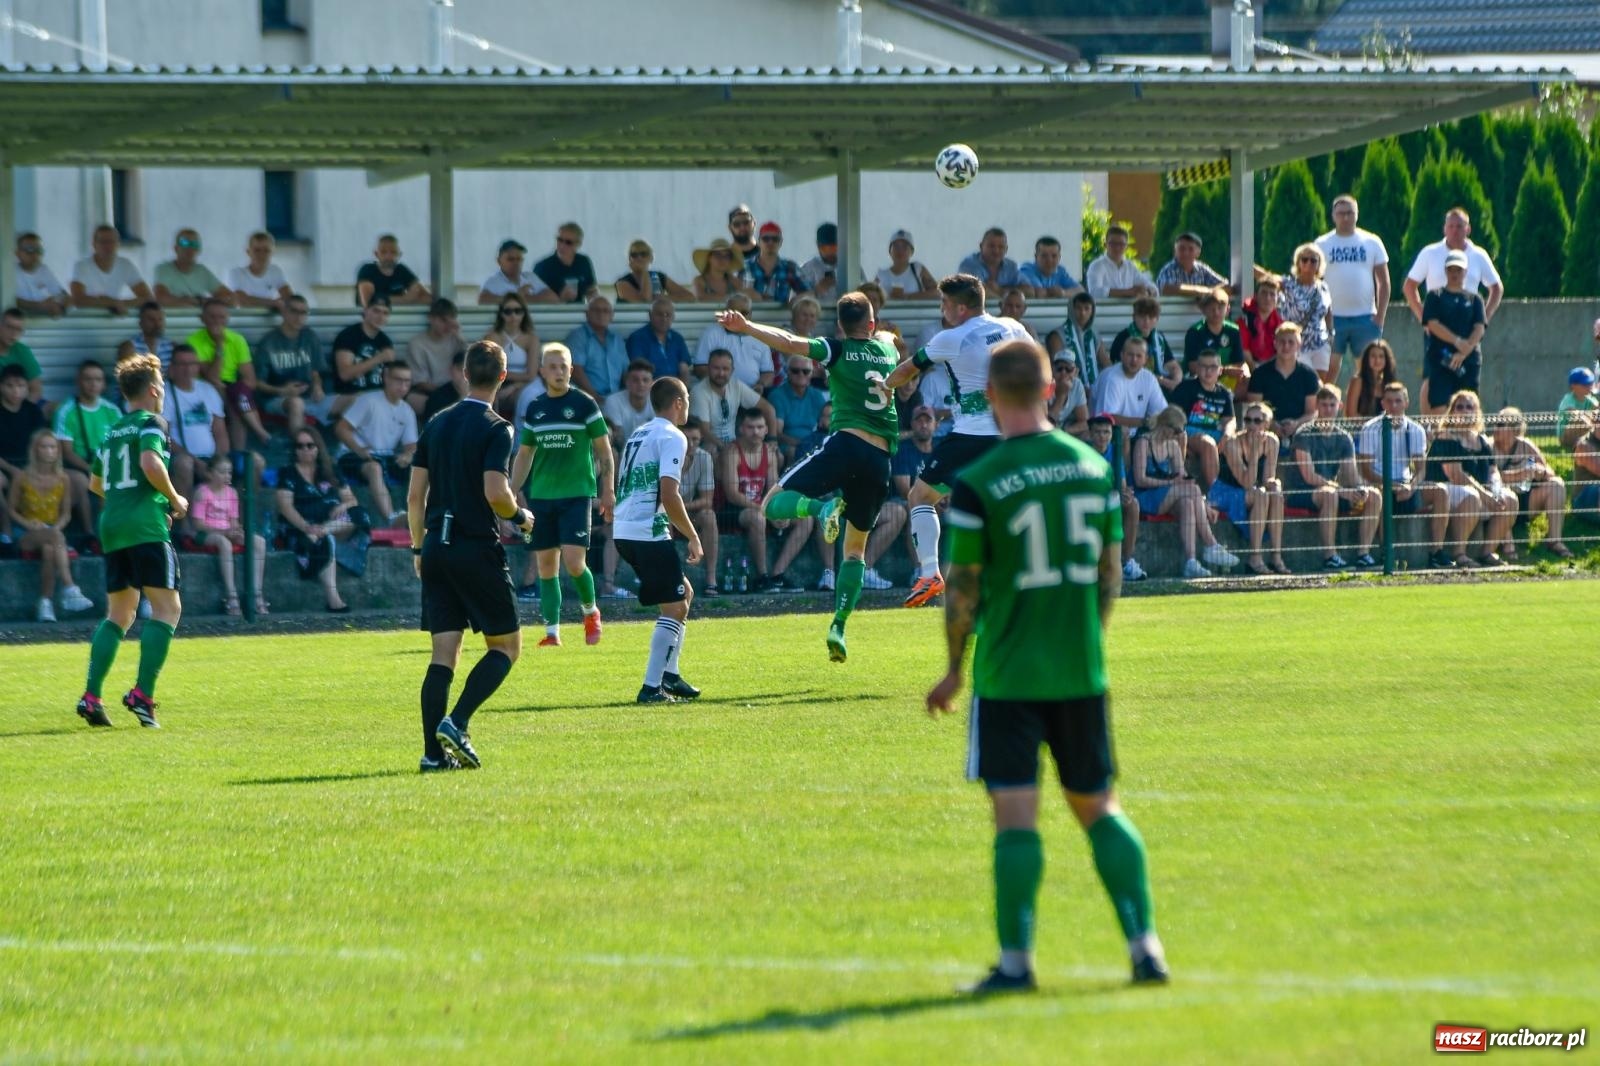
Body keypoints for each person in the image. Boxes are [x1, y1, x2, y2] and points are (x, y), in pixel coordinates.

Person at [925, 337, 1167, 994]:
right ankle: (1145, 948)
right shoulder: (1092, 467)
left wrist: (953, 668)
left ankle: (1015, 964)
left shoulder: (979, 484)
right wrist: (1089, 637)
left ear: (989, 397)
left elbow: (964, 585)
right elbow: (1110, 575)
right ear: (1050, 390)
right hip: (1080, 670)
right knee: (1100, 807)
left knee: (1016, 817)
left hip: (1007, 677)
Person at [719, 290, 901, 658]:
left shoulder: (835, 348)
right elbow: (890, 339)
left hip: (846, 444)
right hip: (880, 458)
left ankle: (820, 511)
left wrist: (747, 325)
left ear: (839, 325)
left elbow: (788, 342)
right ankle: (839, 625)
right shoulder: (888, 351)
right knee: (854, 551)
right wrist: (881, 334)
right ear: (871, 323)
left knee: (770, 506)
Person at [407, 340, 535, 771]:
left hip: (436, 548)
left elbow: (414, 496)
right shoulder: (498, 427)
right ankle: (457, 723)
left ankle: (431, 755)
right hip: (473, 545)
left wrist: (419, 547)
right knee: (507, 646)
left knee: (443, 653)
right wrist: (520, 517)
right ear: (503, 377)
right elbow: (496, 492)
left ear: (463, 373)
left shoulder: (437, 423)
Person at [885, 274, 1031, 609]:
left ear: (960, 308)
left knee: (920, 495)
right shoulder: (1012, 327)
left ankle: (930, 573)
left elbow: (908, 369)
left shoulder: (952, 337)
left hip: (971, 437)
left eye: (945, 304)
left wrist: (882, 386)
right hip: (1010, 435)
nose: (942, 309)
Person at [76, 353, 185, 729]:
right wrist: (174, 499)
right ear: (155, 390)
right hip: (145, 527)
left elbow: (95, 484)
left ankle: (91, 696)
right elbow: (151, 465)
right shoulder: (152, 422)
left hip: (113, 524)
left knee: (120, 615)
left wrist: (127, 502)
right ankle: (143, 694)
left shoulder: (112, 430)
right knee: (168, 609)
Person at [509, 344, 614, 647]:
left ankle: (590, 611)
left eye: (564, 366)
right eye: (552, 366)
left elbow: (603, 449)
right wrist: (511, 490)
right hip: (542, 496)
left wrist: (608, 490)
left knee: (574, 561)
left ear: (571, 370)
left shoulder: (584, 404)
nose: (558, 371)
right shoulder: (535, 408)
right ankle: (552, 632)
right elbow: (525, 453)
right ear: (541, 371)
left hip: (576, 494)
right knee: (545, 565)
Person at [612, 376, 705, 703]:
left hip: (625, 529)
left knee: (684, 594)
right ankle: (651, 687)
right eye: (688, 401)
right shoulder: (672, 436)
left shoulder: (640, 432)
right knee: (675, 606)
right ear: (678, 403)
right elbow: (669, 492)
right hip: (646, 532)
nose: (688, 407)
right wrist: (693, 536)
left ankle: (671, 674)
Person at [1131, 405, 1238, 578]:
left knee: (1188, 503)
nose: (1179, 434)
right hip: (1145, 496)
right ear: (1166, 426)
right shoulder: (1144, 443)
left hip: (1167, 494)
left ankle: (1191, 561)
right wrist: (1169, 482)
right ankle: (1211, 544)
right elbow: (1140, 479)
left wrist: (1203, 504)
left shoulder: (1172, 446)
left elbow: (1184, 477)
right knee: (1192, 489)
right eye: (1177, 430)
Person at [1283, 385, 1380, 569]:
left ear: (1340, 406)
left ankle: (1363, 554)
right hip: (1301, 492)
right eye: (1324, 405)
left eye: (1331, 405)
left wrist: (1360, 489)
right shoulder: (1304, 434)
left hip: (1332, 490)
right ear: (1317, 406)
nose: (1328, 409)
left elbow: (1351, 475)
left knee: (1374, 495)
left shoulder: (1344, 437)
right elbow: (1309, 477)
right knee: (1330, 494)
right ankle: (1330, 556)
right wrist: (1342, 490)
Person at [1355, 382, 1450, 563]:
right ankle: (1386, 553)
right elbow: (1366, 471)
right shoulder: (1370, 429)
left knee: (1441, 492)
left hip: (1407, 485)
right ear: (1382, 404)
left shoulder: (1416, 430)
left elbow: (1421, 469)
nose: (1394, 406)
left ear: (1406, 402)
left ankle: (1436, 552)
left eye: (1398, 401)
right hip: (1380, 483)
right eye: (1389, 401)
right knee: (1381, 494)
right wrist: (1392, 485)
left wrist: (1411, 487)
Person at [715, 406, 807, 593]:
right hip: (730, 510)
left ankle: (777, 574)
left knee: (806, 520)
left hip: (759, 507)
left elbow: (774, 488)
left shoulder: (769, 452)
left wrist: (779, 511)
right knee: (757, 518)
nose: (755, 432)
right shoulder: (732, 452)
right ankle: (762, 577)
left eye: (759, 427)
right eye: (750, 427)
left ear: (766, 430)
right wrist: (765, 510)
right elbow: (732, 494)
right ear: (741, 429)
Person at [9, 430, 94, 621]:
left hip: (51, 531)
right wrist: (30, 524)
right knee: (55, 538)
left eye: (53, 447)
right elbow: (11, 510)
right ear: (35, 450)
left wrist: (56, 527)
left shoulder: (63, 478)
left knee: (49, 549)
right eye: (44, 447)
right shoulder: (22, 476)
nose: (49, 451)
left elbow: (66, 513)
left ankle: (45, 604)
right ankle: (69, 587)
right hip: (25, 532)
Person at [1424, 391, 1513, 568]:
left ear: (1477, 411)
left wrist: (1495, 491)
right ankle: (1459, 553)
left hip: (1476, 489)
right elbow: (1455, 474)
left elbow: (1493, 470)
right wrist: (1485, 495)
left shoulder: (1481, 440)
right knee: (1472, 497)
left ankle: (1487, 552)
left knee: (1510, 499)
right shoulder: (1446, 436)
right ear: (1452, 412)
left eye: (1469, 407)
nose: (1464, 411)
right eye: (1460, 407)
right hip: (1445, 487)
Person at [275, 429, 355, 613]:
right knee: (327, 540)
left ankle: (322, 531)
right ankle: (334, 599)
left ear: (318, 447)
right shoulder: (288, 473)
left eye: (310, 445)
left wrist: (342, 506)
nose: (305, 450)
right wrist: (306, 527)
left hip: (328, 525)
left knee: (355, 515)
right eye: (300, 446)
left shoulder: (331, 470)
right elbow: (285, 507)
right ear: (294, 450)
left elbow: (351, 500)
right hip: (298, 528)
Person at [1316, 195, 1390, 378]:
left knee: (1370, 373)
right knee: (1328, 371)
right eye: (1341, 213)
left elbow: (1384, 282)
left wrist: (1380, 316)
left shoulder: (1372, 242)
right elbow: (1314, 282)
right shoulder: (1322, 244)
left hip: (1365, 317)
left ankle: (1368, 407)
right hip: (1332, 318)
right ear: (1333, 215)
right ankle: (1325, 406)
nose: (1346, 217)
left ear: (1357, 215)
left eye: (1350, 213)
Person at [334, 363, 418, 526]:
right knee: (374, 468)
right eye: (398, 380)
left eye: (407, 382)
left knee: (423, 466)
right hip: (352, 456)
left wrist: (408, 455)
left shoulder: (407, 410)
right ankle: (391, 518)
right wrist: (358, 449)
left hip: (385, 457)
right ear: (385, 378)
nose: (403, 386)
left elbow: (411, 445)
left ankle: (422, 516)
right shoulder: (368, 401)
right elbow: (341, 428)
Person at [1210, 400, 1286, 574]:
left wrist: (1274, 484)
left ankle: (1276, 556)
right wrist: (1254, 453)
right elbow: (1246, 482)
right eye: (1248, 420)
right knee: (1260, 494)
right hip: (1226, 491)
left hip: (1250, 491)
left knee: (1275, 492)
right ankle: (1255, 558)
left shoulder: (1272, 441)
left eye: (1257, 421)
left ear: (1266, 424)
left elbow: (1267, 478)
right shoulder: (1232, 443)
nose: (1251, 425)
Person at [187, 297, 271, 448]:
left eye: (221, 317)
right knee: (231, 403)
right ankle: (260, 434)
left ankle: (243, 452)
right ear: (203, 319)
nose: (217, 321)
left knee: (238, 395)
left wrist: (234, 390)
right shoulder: (193, 341)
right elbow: (211, 377)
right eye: (212, 317)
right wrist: (219, 346)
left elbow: (250, 380)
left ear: (227, 319)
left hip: (232, 388)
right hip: (204, 387)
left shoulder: (237, 340)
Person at [191, 454, 268, 616]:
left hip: (227, 531)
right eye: (222, 472)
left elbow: (233, 520)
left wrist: (236, 530)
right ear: (210, 473)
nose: (227, 476)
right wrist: (224, 532)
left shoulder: (232, 493)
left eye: (229, 473)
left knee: (259, 542)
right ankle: (231, 595)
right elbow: (198, 524)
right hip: (207, 534)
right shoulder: (202, 493)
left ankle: (256, 594)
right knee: (224, 543)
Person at [1491, 406, 1571, 561]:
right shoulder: (1489, 446)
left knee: (1557, 485)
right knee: (1499, 491)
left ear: (1514, 430)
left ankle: (1554, 541)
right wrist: (1520, 474)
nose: (1495, 427)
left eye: (1501, 424)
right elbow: (1491, 478)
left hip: (1526, 500)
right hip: (1500, 504)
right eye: (1495, 423)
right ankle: (1508, 547)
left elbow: (1548, 472)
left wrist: (1538, 471)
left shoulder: (1525, 446)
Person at [1403, 207, 1503, 328]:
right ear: (1444, 229)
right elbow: (1409, 286)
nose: (1455, 231)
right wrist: (1424, 319)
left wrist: (1482, 320)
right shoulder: (1429, 253)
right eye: (1451, 226)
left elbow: (1497, 288)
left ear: (1468, 229)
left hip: (1468, 325)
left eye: (1459, 226)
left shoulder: (1479, 255)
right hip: (1437, 324)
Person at [52, 359, 119, 535]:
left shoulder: (112, 410)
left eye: (97, 379)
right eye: (87, 379)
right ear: (78, 381)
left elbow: (122, 444)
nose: (93, 384)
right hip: (79, 466)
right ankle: (92, 535)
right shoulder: (67, 410)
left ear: (104, 384)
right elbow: (66, 452)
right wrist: (91, 468)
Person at [158, 346, 228, 510]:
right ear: (172, 368)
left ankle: (237, 525)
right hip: (181, 458)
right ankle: (185, 528)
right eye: (182, 364)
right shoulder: (164, 394)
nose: (187, 369)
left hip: (210, 459)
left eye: (191, 364)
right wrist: (196, 462)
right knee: (185, 464)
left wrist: (219, 461)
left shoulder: (208, 390)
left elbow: (220, 432)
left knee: (244, 465)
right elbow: (164, 436)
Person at [255, 294, 334, 436]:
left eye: (303, 312)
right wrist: (282, 391)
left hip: (310, 396)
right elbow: (257, 383)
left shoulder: (309, 336)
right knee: (296, 403)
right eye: (294, 311)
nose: (299, 317)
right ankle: (301, 450)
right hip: (277, 399)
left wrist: (317, 386)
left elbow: (316, 370)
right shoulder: (269, 342)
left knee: (352, 400)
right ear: (284, 312)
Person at [1420, 249, 1486, 416]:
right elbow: (1433, 324)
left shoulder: (1475, 298)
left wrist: (1464, 351)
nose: (1454, 273)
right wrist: (1457, 342)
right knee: (1440, 403)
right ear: (1445, 271)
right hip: (1441, 359)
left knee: (1468, 404)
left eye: (1458, 270)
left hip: (1468, 360)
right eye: (1451, 269)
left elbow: (1479, 327)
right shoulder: (1435, 296)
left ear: (1465, 272)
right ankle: (1443, 440)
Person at [1087, 415, 1146, 580]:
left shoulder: (1115, 452)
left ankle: (1127, 562)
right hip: (1089, 500)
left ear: (1112, 434)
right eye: (1098, 432)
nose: (1102, 436)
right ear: (1090, 434)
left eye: (1106, 432)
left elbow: (1122, 484)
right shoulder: (1083, 452)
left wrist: (1124, 493)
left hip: (1109, 498)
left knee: (1132, 504)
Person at [1167, 349, 1233, 488]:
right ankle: (1215, 492)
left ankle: (1243, 490)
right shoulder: (1185, 387)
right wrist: (1184, 444)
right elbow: (1171, 417)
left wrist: (1227, 435)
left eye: (1213, 367)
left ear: (1220, 370)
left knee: (1239, 443)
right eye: (1204, 366)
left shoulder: (1224, 393)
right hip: (1189, 432)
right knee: (1208, 443)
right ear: (1197, 368)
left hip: (1216, 432)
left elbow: (1230, 420)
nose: (1208, 371)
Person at [1247, 323, 1320, 444]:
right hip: (1264, 433)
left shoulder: (1309, 375)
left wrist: (1296, 424)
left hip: (1300, 436)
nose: (1286, 346)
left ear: (1298, 345)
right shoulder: (1259, 374)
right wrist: (1271, 424)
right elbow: (1253, 408)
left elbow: (1312, 413)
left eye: (1291, 342)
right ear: (1275, 344)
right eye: (1282, 341)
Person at [0, 364, 47, 543]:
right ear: (1, 387)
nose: (15, 391)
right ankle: (6, 528)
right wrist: (11, 470)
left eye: (20, 386)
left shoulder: (33, 411)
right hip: (4, 466)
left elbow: (42, 442)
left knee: (76, 480)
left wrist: (34, 468)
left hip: (31, 465)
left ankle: (85, 535)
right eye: (10, 385)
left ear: (27, 388)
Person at [689, 349, 773, 445]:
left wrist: (772, 440)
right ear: (708, 368)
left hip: (733, 444)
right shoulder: (699, 392)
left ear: (732, 370)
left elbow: (769, 410)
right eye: (716, 368)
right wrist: (730, 450)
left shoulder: (736, 385)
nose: (721, 373)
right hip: (709, 446)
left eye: (725, 369)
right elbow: (704, 432)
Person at [1279, 243, 1335, 382]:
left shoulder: (1323, 287)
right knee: (1304, 380)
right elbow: (1267, 277)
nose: (1309, 263)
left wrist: (1330, 334)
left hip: (1320, 342)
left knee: (1320, 384)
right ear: (1298, 263)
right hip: (1298, 344)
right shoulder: (1289, 285)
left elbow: (1328, 311)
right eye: (1304, 260)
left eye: (1313, 260)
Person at [331, 296, 397, 412]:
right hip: (351, 396)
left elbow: (390, 379)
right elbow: (345, 374)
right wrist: (378, 358)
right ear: (365, 311)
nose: (381, 317)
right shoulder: (348, 336)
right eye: (376, 311)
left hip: (378, 397)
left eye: (385, 313)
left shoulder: (385, 341)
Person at [1089, 335, 1167, 432]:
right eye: (1130, 355)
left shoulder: (1149, 378)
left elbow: (1163, 412)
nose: (1134, 360)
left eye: (1139, 356)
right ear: (1122, 355)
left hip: (1137, 434)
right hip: (1107, 435)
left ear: (1145, 359)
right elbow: (1107, 419)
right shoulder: (1111, 379)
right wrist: (1144, 422)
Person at [677, 419, 720, 593]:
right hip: (661, 513)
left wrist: (681, 507)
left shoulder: (704, 457)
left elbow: (707, 500)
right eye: (687, 439)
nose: (691, 444)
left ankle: (711, 578)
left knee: (709, 515)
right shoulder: (666, 455)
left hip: (684, 511)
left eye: (696, 439)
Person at [70, 225, 154, 314]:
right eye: (103, 242)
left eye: (112, 242)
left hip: (114, 322)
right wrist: (112, 303)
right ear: (94, 244)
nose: (108, 246)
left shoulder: (125, 265)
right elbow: (78, 300)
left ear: (118, 244)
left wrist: (119, 303)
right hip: (87, 320)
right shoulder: (82, 266)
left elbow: (148, 298)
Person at [402, 298, 464, 416]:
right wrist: (444, 393)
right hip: (429, 392)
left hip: (455, 389)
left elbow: (471, 362)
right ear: (431, 319)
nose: (448, 326)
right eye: (443, 320)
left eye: (451, 321)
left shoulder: (456, 341)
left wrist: (460, 337)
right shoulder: (417, 344)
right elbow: (420, 383)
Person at [1182, 287, 1248, 398]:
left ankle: (1229, 405)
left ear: (1228, 309)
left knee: (1247, 381)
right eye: (1211, 308)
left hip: (1225, 380)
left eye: (1220, 307)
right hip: (1200, 378)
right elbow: (1193, 367)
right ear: (1203, 310)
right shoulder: (1195, 332)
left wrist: (1244, 373)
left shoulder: (1233, 330)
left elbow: (1239, 362)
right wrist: (1225, 371)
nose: (1216, 312)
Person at [482, 294, 541, 413]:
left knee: (528, 397)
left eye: (518, 311)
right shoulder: (492, 337)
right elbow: (490, 370)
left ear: (524, 313)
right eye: (508, 311)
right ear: (501, 314)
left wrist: (514, 386)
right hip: (498, 382)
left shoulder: (531, 339)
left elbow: (531, 375)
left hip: (524, 384)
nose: (513, 316)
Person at [694, 292, 768, 384]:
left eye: (744, 313)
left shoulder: (760, 336)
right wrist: (721, 389)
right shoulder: (711, 333)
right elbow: (700, 368)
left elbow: (768, 372)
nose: (739, 317)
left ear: (751, 314)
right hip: (718, 390)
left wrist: (761, 385)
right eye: (734, 312)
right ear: (725, 312)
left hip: (753, 392)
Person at [1109, 295, 1179, 392]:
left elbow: (1172, 365)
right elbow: (1125, 370)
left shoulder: (1159, 338)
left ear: (1157, 319)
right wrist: (1161, 381)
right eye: (1142, 317)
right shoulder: (1123, 338)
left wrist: (1176, 381)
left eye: (1151, 317)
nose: (1146, 321)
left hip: (1158, 385)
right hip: (1132, 387)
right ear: (1134, 317)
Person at [565, 295, 628, 399]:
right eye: (596, 310)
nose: (601, 314)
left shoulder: (617, 340)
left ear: (612, 316)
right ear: (587, 314)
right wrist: (595, 396)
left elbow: (626, 371)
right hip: (586, 398)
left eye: (605, 311)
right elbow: (576, 371)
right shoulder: (578, 337)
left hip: (616, 398)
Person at [768, 352, 828, 459]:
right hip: (788, 446)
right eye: (795, 371)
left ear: (812, 373)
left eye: (806, 371)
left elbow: (827, 423)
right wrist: (804, 444)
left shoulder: (817, 395)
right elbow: (777, 434)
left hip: (814, 444)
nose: (801, 375)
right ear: (787, 371)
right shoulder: (777, 396)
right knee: (794, 452)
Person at [153, 228, 230, 308]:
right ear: (176, 248)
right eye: (185, 243)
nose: (190, 248)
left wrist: (199, 301)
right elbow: (160, 298)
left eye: (195, 244)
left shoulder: (202, 271)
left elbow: (229, 297)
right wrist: (199, 301)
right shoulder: (164, 269)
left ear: (199, 250)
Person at [1045, 291, 1106, 387]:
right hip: (1068, 388)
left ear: (1092, 311)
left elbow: (1106, 362)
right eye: (1078, 308)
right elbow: (1058, 369)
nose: (1082, 313)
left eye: (1087, 308)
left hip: (1094, 389)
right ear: (1071, 309)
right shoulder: (1057, 336)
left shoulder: (1094, 335)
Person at [625, 297, 691, 383]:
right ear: (650, 315)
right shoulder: (637, 338)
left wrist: (684, 391)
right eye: (659, 314)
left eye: (668, 314)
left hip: (675, 389)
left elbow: (684, 370)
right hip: (648, 390)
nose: (664, 319)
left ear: (673, 317)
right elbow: (640, 373)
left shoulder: (677, 338)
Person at [743, 222, 810, 306]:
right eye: (766, 239)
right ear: (758, 241)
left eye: (775, 239)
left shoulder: (789, 267)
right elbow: (732, 294)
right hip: (750, 315)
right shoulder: (746, 267)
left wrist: (796, 300)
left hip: (781, 316)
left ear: (781, 242)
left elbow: (809, 292)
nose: (770, 242)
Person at [227, 232, 295, 312]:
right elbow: (241, 300)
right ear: (248, 252)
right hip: (243, 321)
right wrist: (273, 303)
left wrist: (257, 301)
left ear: (272, 253)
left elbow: (289, 297)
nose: (262, 255)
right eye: (257, 250)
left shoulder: (275, 271)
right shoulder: (236, 273)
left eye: (266, 250)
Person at [355, 234, 429, 307]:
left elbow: (428, 298)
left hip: (400, 318)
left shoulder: (402, 270)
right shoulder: (367, 270)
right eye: (383, 252)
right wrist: (406, 299)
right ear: (376, 254)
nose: (388, 256)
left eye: (393, 252)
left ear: (399, 254)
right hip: (372, 318)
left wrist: (383, 300)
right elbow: (369, 302)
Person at [1085, 224, 1156, 300]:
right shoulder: (1096, 266)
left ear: (1126, 247)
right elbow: (1094, 291)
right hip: (1105, 310)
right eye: (1113, 244)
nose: (1117, 248)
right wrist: (1128, 292)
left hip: (1129, 310)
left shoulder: (1130, 266)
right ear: (1105, 245)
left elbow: (1150, 285)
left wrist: (1148, 291)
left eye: (1121, 244)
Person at [533, 222, 598, 304]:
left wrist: (593, 298)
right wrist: (561, 299)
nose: (562, 245)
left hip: (579, 312)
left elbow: (591, 289)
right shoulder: (542, 266)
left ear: (578, 244)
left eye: (568, 242)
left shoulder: (584, 262)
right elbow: (535, 300)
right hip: (552, 314)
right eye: (559, 240)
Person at [614, 239, 694, 304]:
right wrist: (644, 271)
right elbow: (645, 302)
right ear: (629, 259)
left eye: (643, 254)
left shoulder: (659, 276)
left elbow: (690, 297)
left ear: (651, 258)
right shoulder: (622, 282)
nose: (639, 258)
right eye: (634, 255)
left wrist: (664, 298)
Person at [478, 238, 554, 306]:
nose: (516, 263)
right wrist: (515, 296)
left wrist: (521, 299)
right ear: (499, 261)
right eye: (511, 259)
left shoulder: (530, 277)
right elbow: (482, 300)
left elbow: (553, 298)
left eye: (519, 259)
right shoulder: (493, 281)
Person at [13, 233, 69, 317]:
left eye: (39, 250)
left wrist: (58, 305)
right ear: (17, 253)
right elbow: (11, 301)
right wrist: (38, 305)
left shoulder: (44, 270)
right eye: (30, 250)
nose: (35, 255)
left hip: (42, 324)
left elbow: (63, 295)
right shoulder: (9, 272)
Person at [1156, 231, 1226, 299]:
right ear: (1175, 252)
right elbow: (1167, 289)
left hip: (1198, 310)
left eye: (1191, 249)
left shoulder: (1202, 269)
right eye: (1181, 249)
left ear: (1198, 253)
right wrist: (1203, 291)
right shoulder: (1169, 269)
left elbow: (1225, 285)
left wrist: (1208, 292)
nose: (1186, 253)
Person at [603, 360, 657, 446]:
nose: (641, 384)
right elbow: (617, 439)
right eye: (635, 380)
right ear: (627, 382)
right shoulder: (613, 401)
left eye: (645, 380)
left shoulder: (658, 402)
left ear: (652, 383)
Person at [1343, 338, 1399, 419]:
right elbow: (1351, 414)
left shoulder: (1389, 383)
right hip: (1361, 430)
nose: (1377, 360)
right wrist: (1372, 427)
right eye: (1373, 356)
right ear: (1366, 359)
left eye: (1381, 356)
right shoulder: (1358, 381)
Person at [875, 229, 938, 300]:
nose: (900, 250)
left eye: (904, 247)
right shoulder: (881, 274)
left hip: (914, 311)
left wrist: (907, 297)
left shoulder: (917, 269)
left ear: (911, 252)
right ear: (890, 251)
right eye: (896, 246)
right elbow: (870, 296)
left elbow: (936, 293)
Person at [1235, 275, 1283, 366]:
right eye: (1264, 293)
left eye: (1272, 294)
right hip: (1249, 365)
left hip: (1272, 365)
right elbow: (1244, 350)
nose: (1268, 298)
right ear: (1256, 296)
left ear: (1277, 299)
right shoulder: (1245, 320)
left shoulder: (1280, 322)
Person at [0, 307, 44, 405]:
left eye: (18, 330)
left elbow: (36, 390)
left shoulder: (23, 351)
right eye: (9, 327)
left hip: (19, 406)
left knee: (54, 408)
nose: (13, 333)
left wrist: (20, 412)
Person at [1016, 235, 1082, 299]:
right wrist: (1060, 293)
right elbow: (1040, 293)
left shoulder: (1060, 271)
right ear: (1036, 257)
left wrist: (1063, 293)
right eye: (1044, 256)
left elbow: (1080, 291)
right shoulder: (1027, 269)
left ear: (1059, 257)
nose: (1049, 260)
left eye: (1054, 256)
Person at [690, 238, 747, 303]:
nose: (722, 259)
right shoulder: (699, 281)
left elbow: (746, 299)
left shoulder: (735, 282)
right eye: (718, 255)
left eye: (726, 256)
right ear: (709, 258)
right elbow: (700, 297)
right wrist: (732, 299)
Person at [1557, 366, 1599, 450]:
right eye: (1585, 384)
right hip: (1566, 437)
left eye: (1590, 383)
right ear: (1573, 386)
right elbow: (1573, 414)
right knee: (1582, 420)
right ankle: (1580, 445)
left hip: (1585, 432)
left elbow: (1597, 409)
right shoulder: (1568, 399)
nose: (1589, 386)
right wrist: (1592, 417)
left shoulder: (1590, 399)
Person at [1047, 356, 1088, 436]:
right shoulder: (1044, 385)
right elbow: (1047, 423)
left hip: (1063, 429)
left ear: (1076, 372)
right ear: (1052, 371)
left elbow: (1085, 423)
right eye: (1059, 369)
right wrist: (1062, 395)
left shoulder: (1077, 384)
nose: (1063, 373)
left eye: (1068, 369)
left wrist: (1064, 432)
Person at [798, 223, 840, 299]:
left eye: (833, 248)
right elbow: (795, 302)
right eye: (824, 248)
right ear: (817, 246)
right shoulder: (807, 269)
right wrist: (816, 291)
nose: (829, 253)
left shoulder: (851, 267)